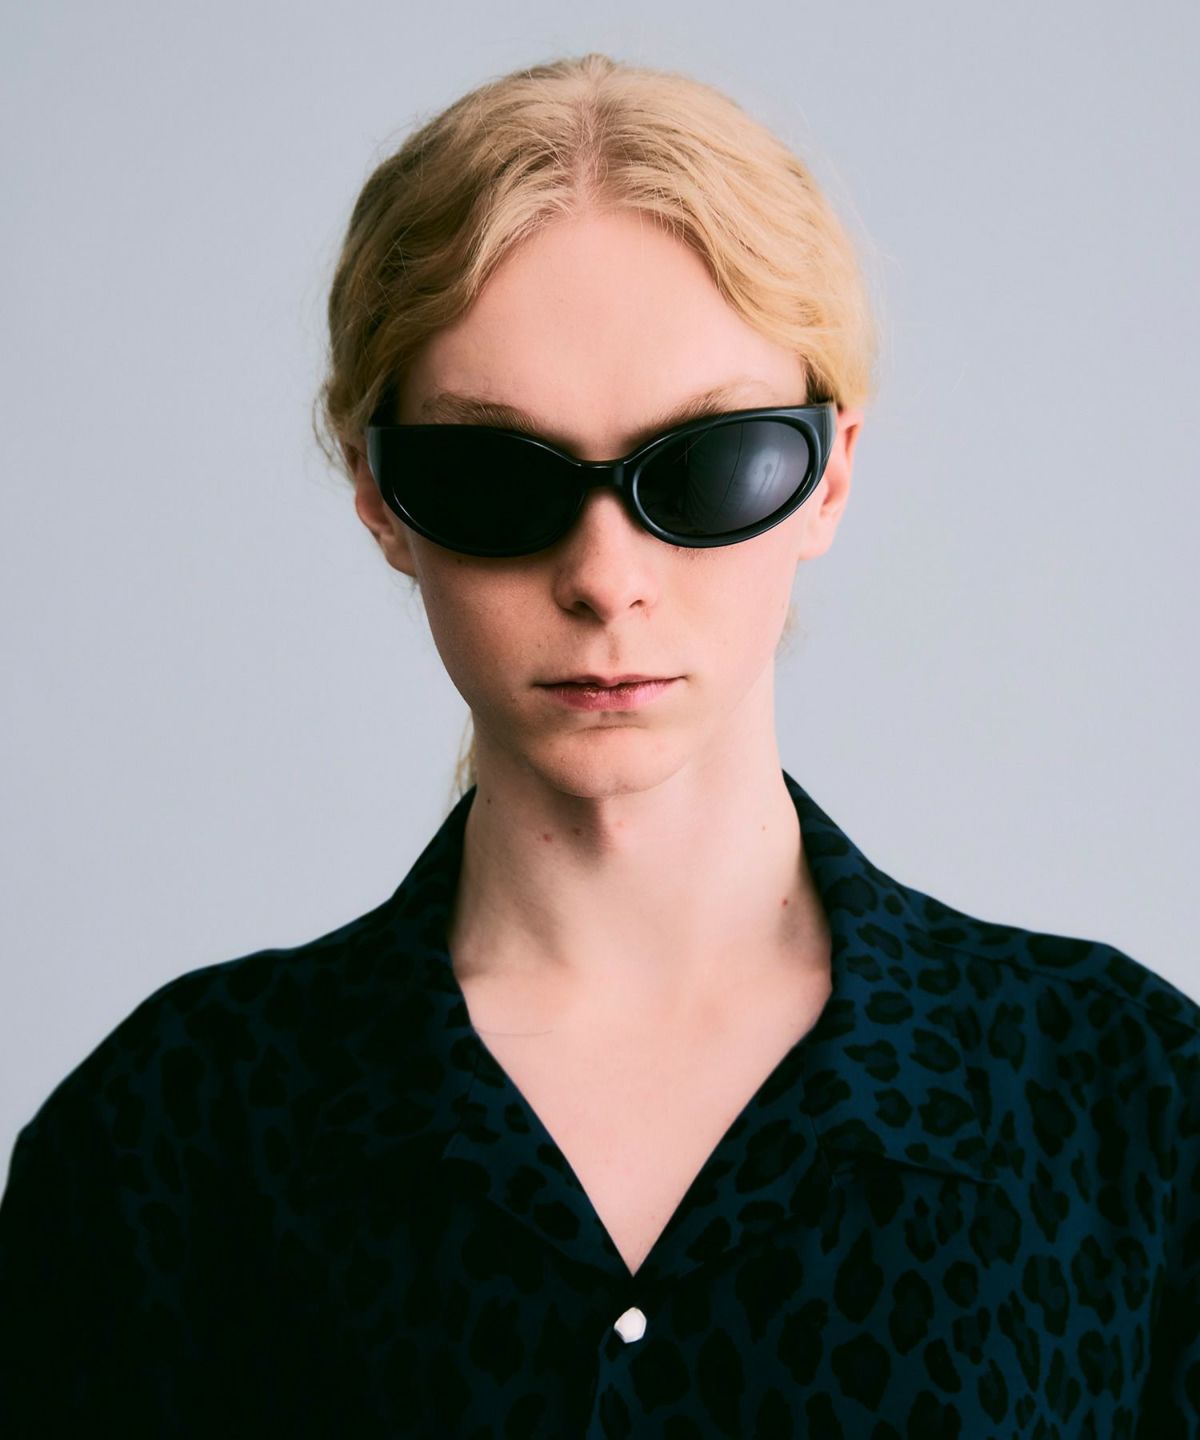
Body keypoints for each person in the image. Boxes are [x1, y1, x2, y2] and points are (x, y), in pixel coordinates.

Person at [1, 50, 1196, 1439]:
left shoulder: (1121, 1103)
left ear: (829, 474)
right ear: (378, 495)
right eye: (494, 475)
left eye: (708, 464)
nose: (605, 577)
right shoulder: (172, 1137)